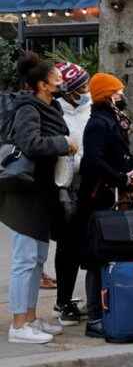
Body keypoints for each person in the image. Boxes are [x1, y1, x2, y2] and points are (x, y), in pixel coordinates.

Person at [1, 53, 74, 344]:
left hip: (42, 192)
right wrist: (64, 144)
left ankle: (30, 318)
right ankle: (19, 325)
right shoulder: (28, 108)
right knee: (25, 259)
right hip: (24, 193)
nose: (62, 78)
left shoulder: (49, 105)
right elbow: (30, 143)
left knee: (37, 259)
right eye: (56, 75)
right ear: (43, 84)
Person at [78, 72, 133, 339]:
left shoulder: (112, 120)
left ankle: (105, 310)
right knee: (97, 258)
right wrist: (121, 177)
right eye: (117, 91)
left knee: (107, 255)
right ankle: (95, 315)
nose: (121, 95)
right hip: (99, 198)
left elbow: (123, 155)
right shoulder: (98, 123)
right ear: (107, 94)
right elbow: (94, 161)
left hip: (110, 195)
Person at [52, 62, 91, 326]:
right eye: (82, 87)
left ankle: (76, 298)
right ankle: (63, 300)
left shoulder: (89, 109)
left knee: (82, 247)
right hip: (67, 189)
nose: (87, 90)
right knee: (68, 249)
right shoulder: (57, 114)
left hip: (89, 186)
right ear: (69, 91)